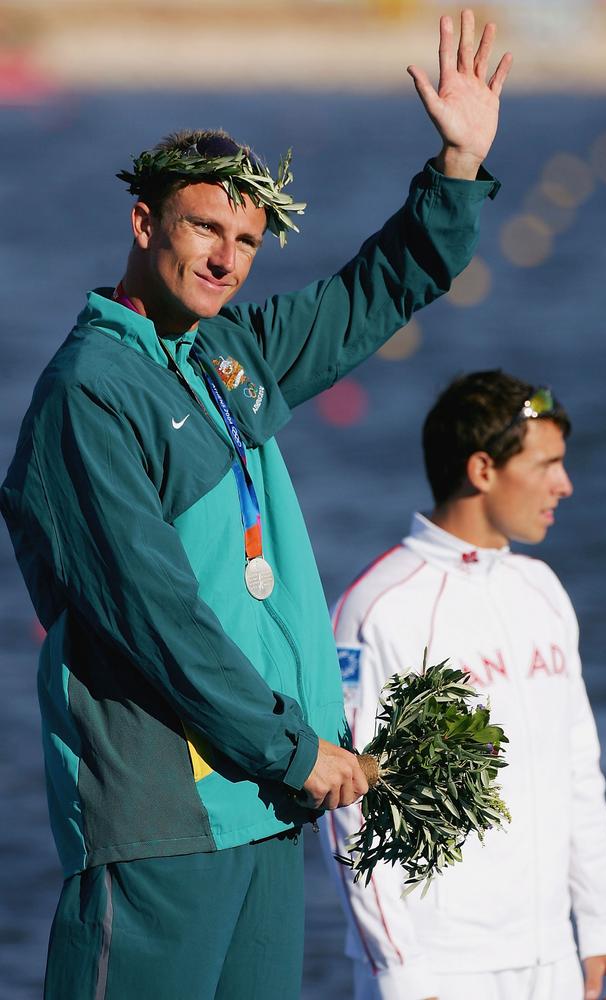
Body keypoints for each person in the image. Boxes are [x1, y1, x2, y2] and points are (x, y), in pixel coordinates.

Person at [0, 13, 512, 1000]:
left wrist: (455, 166)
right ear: (145, 222)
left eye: (244, 240)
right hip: (163, 817)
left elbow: (372, 293)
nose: (224, 258)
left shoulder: (224, 359)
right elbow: (156, 622)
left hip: (266, 802)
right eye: (203, 227)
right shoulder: (92, 392)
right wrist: (292, 747)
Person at [324, 370, 606, 1000]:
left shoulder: (542, 589)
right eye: (547, 464)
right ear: (483, 469)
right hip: (441, 968)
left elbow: (579, 769)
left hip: (552, 958)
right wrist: (403, 972)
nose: (565, 484)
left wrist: (605, 921)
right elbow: (352, 808)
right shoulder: (377, 609)